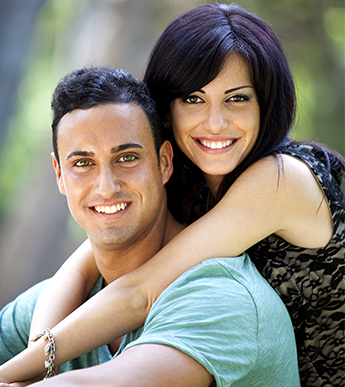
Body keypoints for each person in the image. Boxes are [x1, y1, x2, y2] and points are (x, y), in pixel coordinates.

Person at [1, 2, 344, 386]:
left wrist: (24, 370)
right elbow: (83, 266)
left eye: (237, 98)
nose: (215, 122)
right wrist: (35, 359)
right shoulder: (187, 183)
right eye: (193, 99)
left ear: (266, 102)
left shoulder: (281, 180)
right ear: (167, 110)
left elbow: (140, 294)